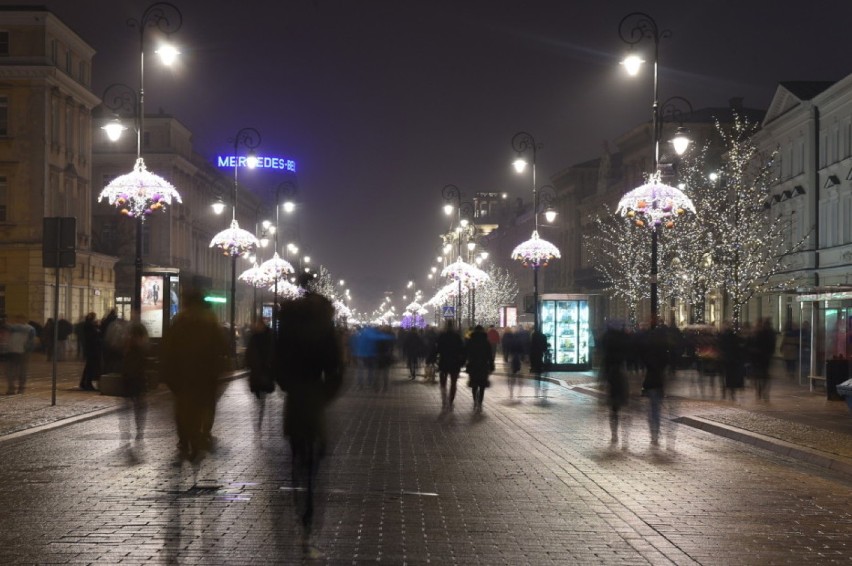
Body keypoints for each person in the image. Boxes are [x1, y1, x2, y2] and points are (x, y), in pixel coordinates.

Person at [275, 273, 343, 558]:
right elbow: (336, 368)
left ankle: (299, 497)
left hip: (295, 396)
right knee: (316, 454)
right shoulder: (325, 326)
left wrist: (288, 385)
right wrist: (325, 394)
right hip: (314, 395)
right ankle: (310, 511)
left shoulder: (288, 323)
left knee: (296, 452)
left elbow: (277, 361)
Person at [160, 288, 230, 461]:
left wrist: (168, 375)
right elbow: (223, 346)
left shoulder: (179, 322)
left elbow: (167, 350)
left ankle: (185, 439)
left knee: (183, 407)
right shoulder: (210, 322)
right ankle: (199, 434)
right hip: (205, 375)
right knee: (203, 406)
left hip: (183, 375)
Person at [120, 321, 150, 447]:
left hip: (130, 381)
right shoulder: (140, 349)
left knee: (130, 407)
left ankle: (130, 432)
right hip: (136, 381)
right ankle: (137, 431)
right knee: (138, 408)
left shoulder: (128, 348)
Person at [600, 323, 630, 445]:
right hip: (621, 378)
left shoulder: (608, 351)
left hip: (612, 379)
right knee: (623, 408)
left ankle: (614, 434)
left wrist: (602, 381)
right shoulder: (623, 347)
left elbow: (604, 367)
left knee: (614, 410)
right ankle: (624, 435)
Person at [246, 319, 275, 432]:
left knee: (260, 395)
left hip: (262, 370)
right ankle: (259, 414)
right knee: (259, 395)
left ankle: (259, 416)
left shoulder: (261, 337)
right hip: (260, 370)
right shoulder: (263, 337)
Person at [436, 319, 465, 412]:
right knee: (453, 383)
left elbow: (437, 348)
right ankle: (451, 401)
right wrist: (462, 362)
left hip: (444, 362)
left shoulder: (442, 336)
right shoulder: (457, 336)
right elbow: (462, 349)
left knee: (443, 383)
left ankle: (444, 399)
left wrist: (431, 359)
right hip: (454, 363)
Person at [465, 325, 493, 413]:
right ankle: (480, 402)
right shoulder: (486, 341)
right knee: (482, 385)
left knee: (474, 384)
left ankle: (475, 401)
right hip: (483, 365)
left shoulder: (471, 341)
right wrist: (492, 365)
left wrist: (465, 362)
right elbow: (490, 355)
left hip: (473, 364)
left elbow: (466, 352)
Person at [5, 315, 36, 395]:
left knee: (11, 370)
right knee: (22, 370)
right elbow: (31, 342)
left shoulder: (10, 328)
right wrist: (28, 350)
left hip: (11, 351)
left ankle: (11, 388)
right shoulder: (30, 329)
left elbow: (5, 339)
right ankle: (21, 388)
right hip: (23, 352)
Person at [79, 312, 101, 391]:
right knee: (90, 367)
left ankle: (84, 382)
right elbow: (93, 337)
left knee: (88, 367)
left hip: (90, 349)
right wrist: (97, 330)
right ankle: (87, 383)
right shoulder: (90, 326)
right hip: (92, 350)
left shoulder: (89, 325)